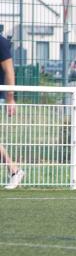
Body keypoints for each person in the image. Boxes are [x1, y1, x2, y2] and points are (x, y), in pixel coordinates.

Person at [0, 34, 24, 190]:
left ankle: (15, 171)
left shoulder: (0, 42)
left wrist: (10, 98)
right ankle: (15, 170)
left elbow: (9, 71)